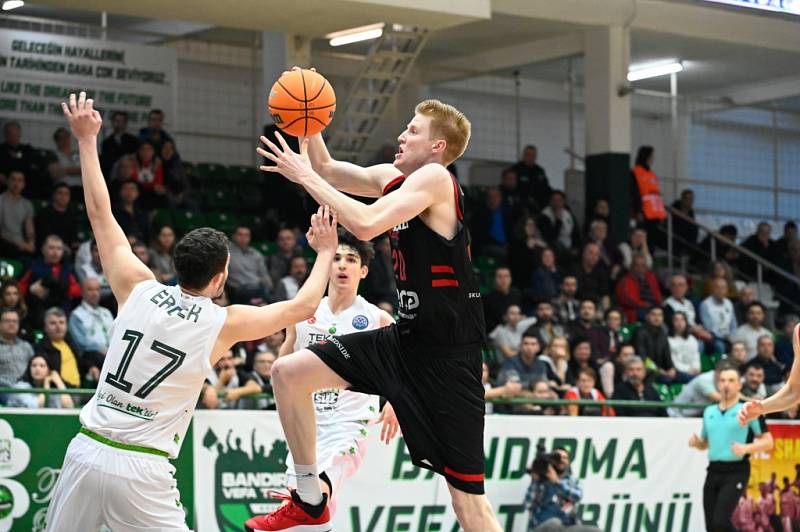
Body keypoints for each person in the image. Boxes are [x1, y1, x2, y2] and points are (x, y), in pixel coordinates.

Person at [46, 92, 341, 532]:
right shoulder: (221, 322)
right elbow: (303, 305)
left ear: (175, 266)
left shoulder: (137, 287)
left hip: (85, 451)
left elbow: (100, 214)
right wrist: (326, 252)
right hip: (143, 470)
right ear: (221, 278)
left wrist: (87, 141)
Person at [248, 90, 501, 530]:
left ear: (437, 147)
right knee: (287, 373)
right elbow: (328, 169)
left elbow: (365, 223)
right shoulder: (393, 177)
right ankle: (310, 496)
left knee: (468, 506)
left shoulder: (436, 179)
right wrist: (310, 120)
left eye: (414, 130)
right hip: (404, 340)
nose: (402, 135)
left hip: (448, 357)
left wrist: (303, 175)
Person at [280, 230, 397, 515]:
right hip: (306, 423)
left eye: (351, 259)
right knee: (304, 507)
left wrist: (396, 403)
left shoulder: (377, 319)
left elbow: (406, 369)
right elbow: (284, 362)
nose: (342, 265)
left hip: (349, 424)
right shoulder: (303, 313)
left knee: (314, 493)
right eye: (336, 258)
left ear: (364, 270)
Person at [689, 364, 773, 532]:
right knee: (711, 525)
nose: (726, 384)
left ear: (739, 385)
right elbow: (706, 443)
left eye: (731, 380)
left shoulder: (748, 410)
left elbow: (768, 442)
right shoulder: (709, 411)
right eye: (722, 380)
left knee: (721, 521)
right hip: (713, 470)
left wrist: (746, 448)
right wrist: (698, 443)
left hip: (736, 470)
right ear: (718, 384)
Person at [19, 235, 82, 324]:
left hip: (62, 311)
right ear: (43, 250)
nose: (55, 252)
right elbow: (18, 288)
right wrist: (30, 290)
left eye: (59, 249)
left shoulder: (68, 268)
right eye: (51, 248)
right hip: (36, 310)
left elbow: (78, 291)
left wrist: (60, 289)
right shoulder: (32, 266)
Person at [68, 277, 115, 377]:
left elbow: (116, 334)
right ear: (82, 292)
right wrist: (102, 349)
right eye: (90, 289)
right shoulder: (76, 315)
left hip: (112, 353)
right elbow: (82, 343)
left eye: (97, 289)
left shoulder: (106, 313)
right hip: (91, 356)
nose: (94, 293)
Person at [629, 146, 666, 249]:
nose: (653, 158)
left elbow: (655, 194)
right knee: (643, 241)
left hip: (655, 214)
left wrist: (661, 212)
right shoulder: (635, 172)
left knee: (652, 242)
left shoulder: (652, 174)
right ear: (647, 156)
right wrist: (638, 211)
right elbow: (635, 193)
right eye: (652, 155)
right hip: (644, 214)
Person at [227, 224, 273, 304]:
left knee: (266, 294)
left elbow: (265, 276)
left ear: (250, 237)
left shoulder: (256, 254)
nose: (243, 238)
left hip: (258, 289)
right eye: (240, 235)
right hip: (238, 291)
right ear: (233, 236)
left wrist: (269, 287)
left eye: (246, 235)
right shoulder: (227, 253)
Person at [8, 354, 74, 409]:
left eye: (42, 366)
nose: (37, 369)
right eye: (34, 365)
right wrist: (46, 386)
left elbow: (68, 406)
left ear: (49, 370)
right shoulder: (20, 387)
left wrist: (59, 382)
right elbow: (35, 407)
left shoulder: (54, 388)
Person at [615, 254, 663, 322]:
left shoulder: (651, 277)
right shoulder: (625, 281)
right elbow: (629, 300)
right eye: (637, 265)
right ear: (632, 266)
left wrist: (659, 303)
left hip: (654, 307)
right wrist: (646, 305)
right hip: (637, 310)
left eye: (643, 265)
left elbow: (657, 293)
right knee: (651, 316)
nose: (640, 268)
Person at [0, 308, 34, 404]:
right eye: (7, 321)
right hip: (3, 389)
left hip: (26, 388)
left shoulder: (26, 346)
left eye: (14, 321)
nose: (11, 324)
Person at [0, 170, 36, 258]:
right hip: (4, 242)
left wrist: (31, 243)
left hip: (21, 243)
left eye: (20, 180)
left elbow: (29, 228)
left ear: (23, 185)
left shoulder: (27, 204)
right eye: (13, 179)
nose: (16, 183)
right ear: (7, 182)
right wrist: (19, 243)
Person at [35, 182, 79, 252]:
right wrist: (61, 247)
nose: (63, 196)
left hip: (67, 250)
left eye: (66, 194)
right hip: (48, 248)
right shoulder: (44, 213)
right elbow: (44, 236)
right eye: (60, 193)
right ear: (54, 195)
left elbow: (74, 238)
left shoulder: (72, 214)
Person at [700, 277, 738, 355]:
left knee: (740, 345)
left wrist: (732, 336)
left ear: (727, 290)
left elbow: (733, 325)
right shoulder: (705, 304)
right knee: (720, 346)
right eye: (717, 287)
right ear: (712, 289)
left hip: (729, 337)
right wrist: (725, 337)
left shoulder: (729, 303)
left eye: (723, 287)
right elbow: (709, 328)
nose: (720, 290)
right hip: (715, 338)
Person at [509, 144, 552, 211]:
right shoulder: (515, 170)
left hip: (539, 205)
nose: (531, 157)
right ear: (523, 155)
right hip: (521, 206)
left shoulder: (539, 171)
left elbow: (546, 188)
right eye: (528, 155)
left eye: (533, 156)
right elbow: (511, 188)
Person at [483, 266, 523, 333]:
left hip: (516, 326)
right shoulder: (488, 298)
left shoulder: (516, 294)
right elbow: (489, 323)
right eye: (500, 276)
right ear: (494, 279)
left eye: (506, 276)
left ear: (510, 279)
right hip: (498, 330)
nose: (503, 280)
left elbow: (519, 313)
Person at [572, 243, 611, 310]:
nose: (593, 257)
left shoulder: (602, 272)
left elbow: (604, 294)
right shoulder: (574, 270)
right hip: (577, 303)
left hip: (596, 305)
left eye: (596, 254)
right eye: (591, 253)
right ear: (583, 254)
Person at [100, 111, 139, 176]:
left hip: (128, 175)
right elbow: (104, 162)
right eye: (117, 121)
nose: (120, 124)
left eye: (122, 121)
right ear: (112, 122)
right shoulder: (106, 142)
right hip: (110, 176)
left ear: (126, 123)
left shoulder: (133, 140)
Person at [668, 311, 702, 378]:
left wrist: (696, 369)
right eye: (676, 320)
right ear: (672, 323)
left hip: (693, 371)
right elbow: (674, 362)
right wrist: (688, 370)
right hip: (679, 372)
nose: (679, 323)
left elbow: (696, 357)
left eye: (682, 320)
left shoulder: (692, 339)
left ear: (686, 322)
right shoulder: (669, 340)